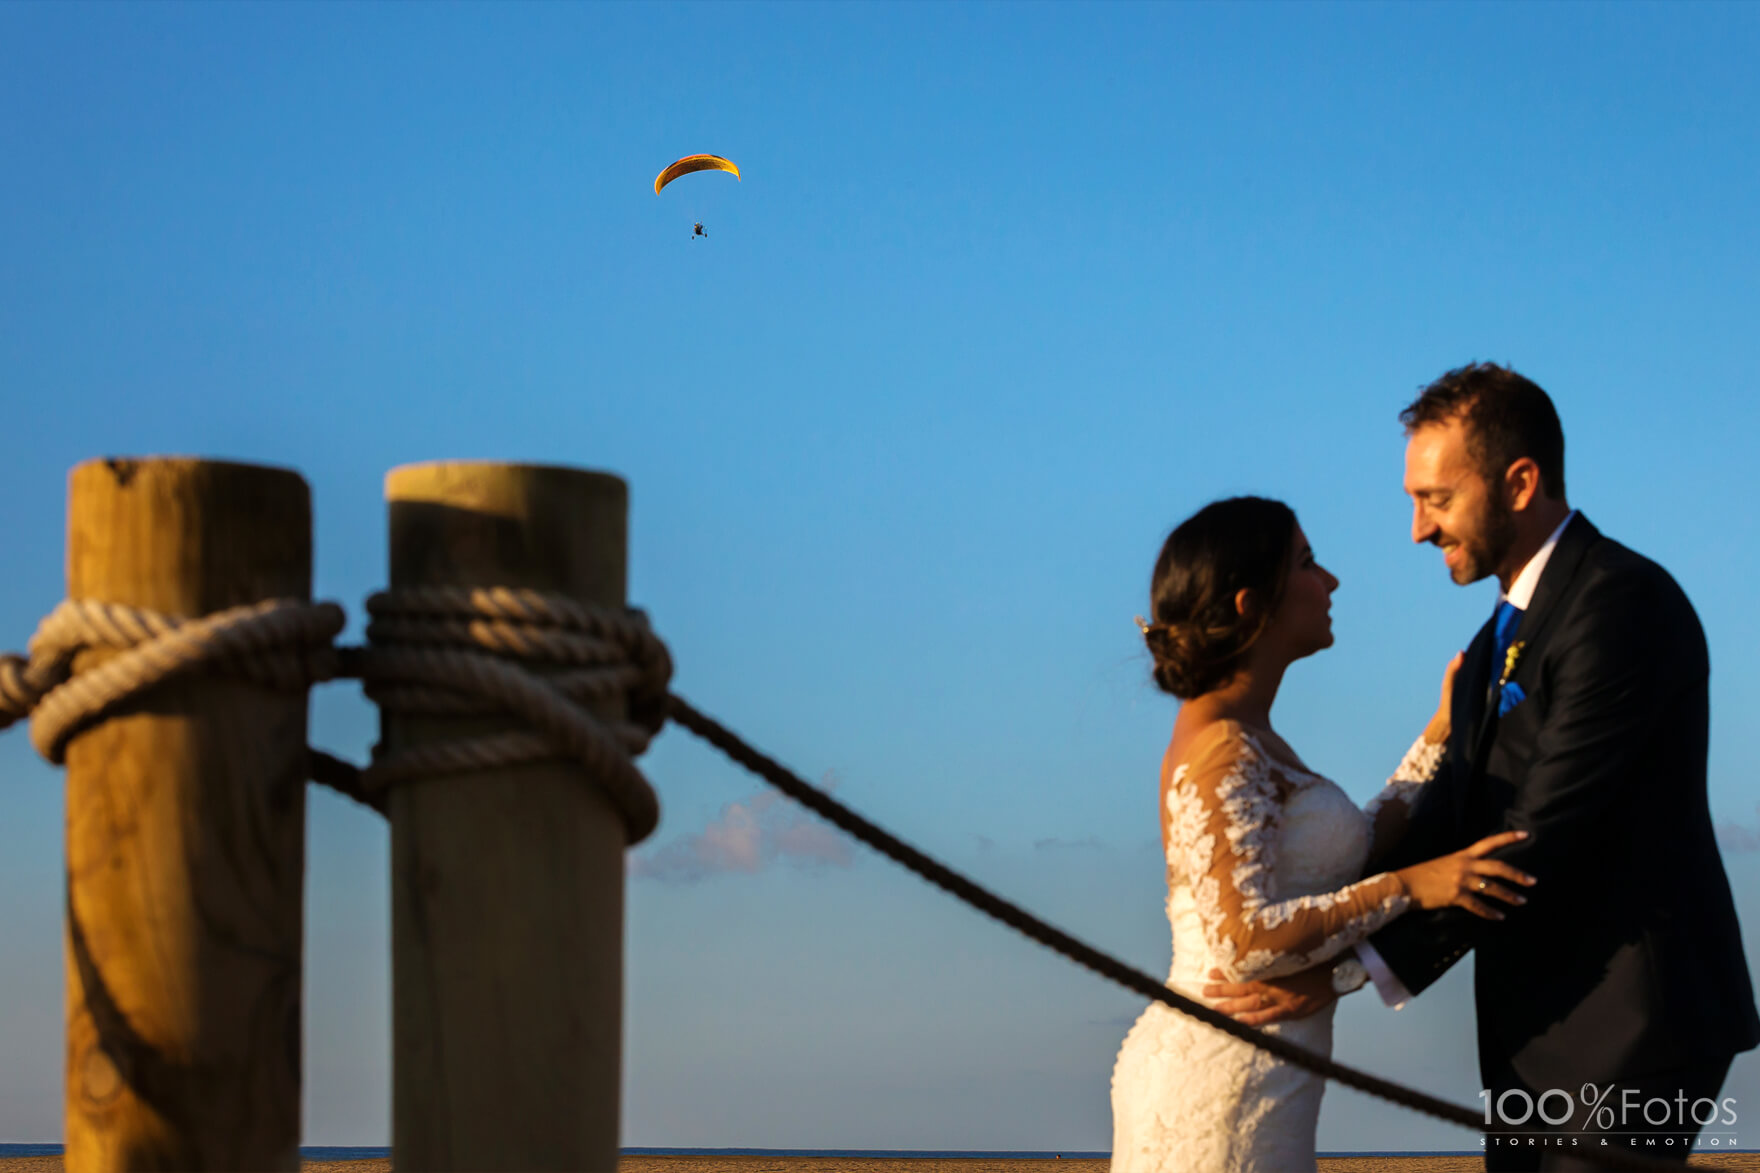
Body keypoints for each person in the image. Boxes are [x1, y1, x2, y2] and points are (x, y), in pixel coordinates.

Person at [1204, 364, 1760, 1170]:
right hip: (1534, 1025)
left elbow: (1533, 834)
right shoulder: (1490, 646)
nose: (1418, 529)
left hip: (1631, 1023)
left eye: (1437, 499)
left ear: (1521, 482)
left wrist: (1348, 974)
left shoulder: (1621, 606)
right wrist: (1308, 939)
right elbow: (1445, 820)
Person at [1110, 495, 1535, 1172]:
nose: (1331, 579)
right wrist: (1410, 888)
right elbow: (1245, 941)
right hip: (1222, 1083)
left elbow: (1356, 846)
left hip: (1265, 1075)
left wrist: (1437, 733)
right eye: (1307, 562)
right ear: (1253, 604)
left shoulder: (1254, 738)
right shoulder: (1222, 747)